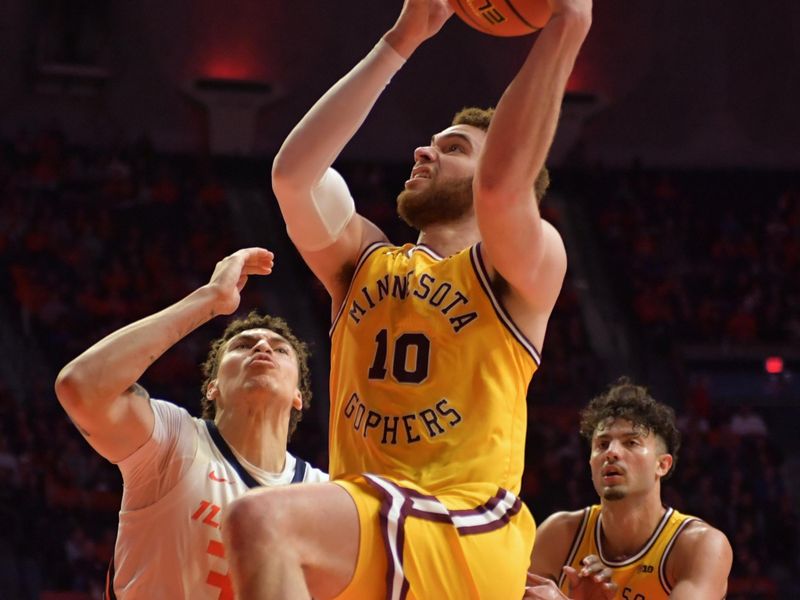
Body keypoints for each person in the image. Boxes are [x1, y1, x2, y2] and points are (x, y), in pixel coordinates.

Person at [222, 0, 592, 598]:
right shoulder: (362, 261)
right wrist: (401, 39)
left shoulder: (523, 268)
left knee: (260, 520)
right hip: (371, 524)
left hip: (465, 523)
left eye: (453, 148)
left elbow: (503, 186)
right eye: (430, 143)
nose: (425, 152)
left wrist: (569, 24)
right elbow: (293, 175)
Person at [54, 247, 327, 599]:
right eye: (242, 346)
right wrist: (210, 299)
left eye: (280, 348)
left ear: (298, 396)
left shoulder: (325, 493)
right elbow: (81, 387)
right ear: (212, 387)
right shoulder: (175, 441)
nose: (262, 345)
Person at [525, 378, 733, 599]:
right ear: (590, 463)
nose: (611, 452)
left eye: (631, 442)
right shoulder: (559, 535)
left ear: (662, 465)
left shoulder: (700, 545)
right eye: (602, 444)